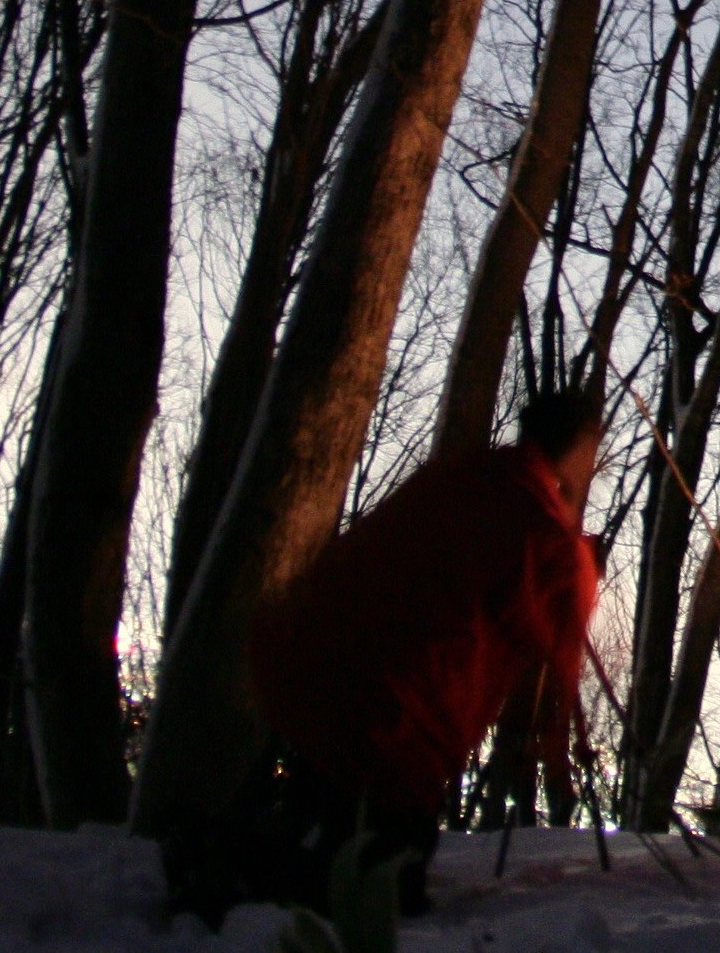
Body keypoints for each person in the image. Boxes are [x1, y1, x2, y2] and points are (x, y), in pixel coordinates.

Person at [173, 385, 604, 921]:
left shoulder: (462, 476)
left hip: (303, 670)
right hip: (388, 725)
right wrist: (556, 752)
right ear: (580, 451)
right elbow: (553, 663)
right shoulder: (539, 532)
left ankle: (239, 852)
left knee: (332, 813)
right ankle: (232, 875)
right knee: (384, 892)